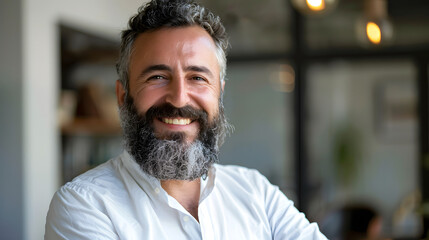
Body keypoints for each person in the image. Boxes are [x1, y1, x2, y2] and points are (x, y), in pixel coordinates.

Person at [45, 0, 327, 239]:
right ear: (123, 95)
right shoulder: (84, 205)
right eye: (157, 77)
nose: (179, 99)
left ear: (219, 93)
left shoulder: (256, 192)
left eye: (197, 78)